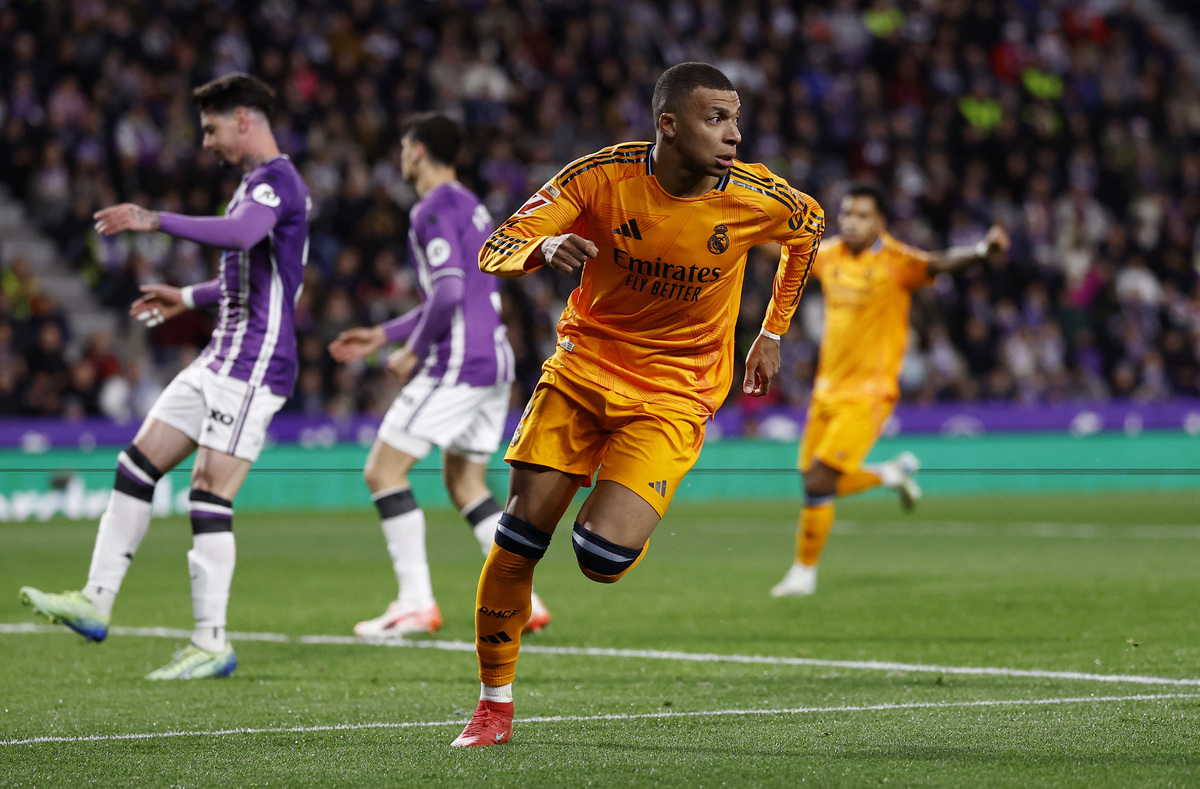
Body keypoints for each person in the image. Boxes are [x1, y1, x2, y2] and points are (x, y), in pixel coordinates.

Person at [450, 62, 825, 747]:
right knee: (517, 541)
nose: (734, 133)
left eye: (736, 117)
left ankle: (616, 511)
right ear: (668, 124)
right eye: (716, 118)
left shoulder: (755, 195)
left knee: (598, 555)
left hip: (674, 393)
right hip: (582, 374)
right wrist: (543, 246)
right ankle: (493, 706)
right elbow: (494, 246)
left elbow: (810, 228)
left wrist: (771, 331)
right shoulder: (599, 177)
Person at [19, 73, 311, 679]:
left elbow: (242, 236)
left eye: (210, 128)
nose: (205, 143)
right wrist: (187, 294)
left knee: (208, 490)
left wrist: (153, 219)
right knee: (136, 463)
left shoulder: (278, 181)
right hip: (219, 354)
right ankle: (95, 601)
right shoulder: (255, 185)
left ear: (244, 120)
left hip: (255, 363)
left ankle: (211, 642)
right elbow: (251, 271)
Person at [327, 114, 550, 639]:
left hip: (458, 361)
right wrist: (384, 334)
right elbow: (459, 291)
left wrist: (411, 351)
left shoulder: (430, 208)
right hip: (493, 359)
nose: (401, 156)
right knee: (465, 481)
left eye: (404, 147)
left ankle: (414, 603)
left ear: (418, 151)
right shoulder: (471, 205)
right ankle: (526, 599)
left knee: (383, 472)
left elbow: (447, 293)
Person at [770, 185, 1010, 597]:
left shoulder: (896, 261)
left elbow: (938, 263)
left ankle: (804, 573)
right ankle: (889, 473)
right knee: (812, 479)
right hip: (826, 390)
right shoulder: (829, 256)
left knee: (820, 479)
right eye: (846, 214)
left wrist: (982, 251)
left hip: (869, 392)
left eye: (862, 215)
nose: (851, 222)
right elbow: (782, 253)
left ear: (880, 221)